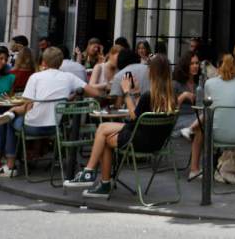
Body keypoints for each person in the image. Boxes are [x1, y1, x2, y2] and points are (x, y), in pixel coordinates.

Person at [65, 53, 178, 196]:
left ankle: (94, 177)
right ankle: (93, 176)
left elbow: (133, 116)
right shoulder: (171, 96)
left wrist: (126, 93)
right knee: (103, 129)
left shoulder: (149, 96)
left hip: (139, 140)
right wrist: (136, 93)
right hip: (157, 142)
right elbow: (141, 114)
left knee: (103, 135)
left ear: (152, 72)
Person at [0, 46, 107, 177]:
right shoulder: (69, 77)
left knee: (10, 123)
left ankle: (10, 165)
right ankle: (11, 115)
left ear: (44, 61)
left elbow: (27, 106)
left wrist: (16, 109)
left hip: (31, 126)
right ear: (61, 62)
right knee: (15, 116)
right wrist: (74, 94)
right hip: (55, 127)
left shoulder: (36, 77)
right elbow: (95, 92)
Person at [188, 53, 235, 186]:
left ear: (219, 67)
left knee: (200, 130)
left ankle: (194, 169)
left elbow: (208, 108)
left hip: (215, 135)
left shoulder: (209, 83)